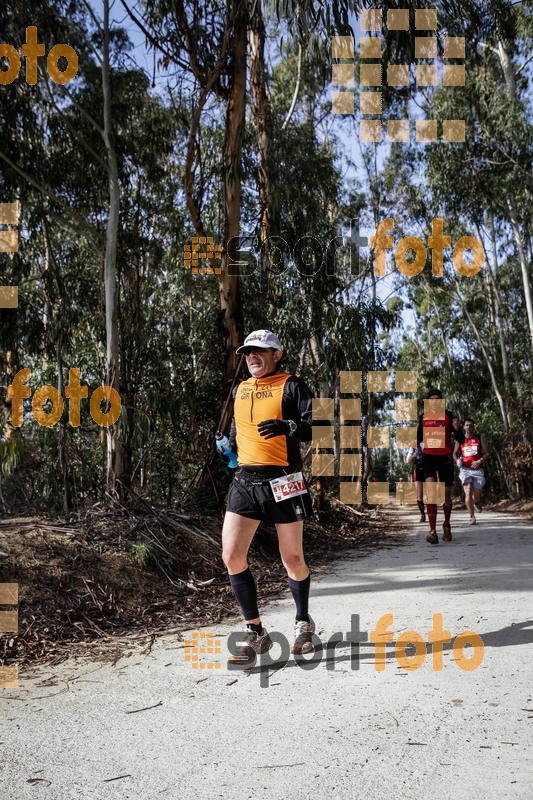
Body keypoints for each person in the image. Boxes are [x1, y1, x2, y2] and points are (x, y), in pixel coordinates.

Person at [220, 329, 315, 665]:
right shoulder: (241, 389)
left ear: (278, 354)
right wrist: (229, 448)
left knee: (292, 557)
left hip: (284, 480)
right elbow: (237, 430)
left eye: (260, 351)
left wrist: (287, 426)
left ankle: (303, 622)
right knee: (232, 555)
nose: (252, 357)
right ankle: (255, 632)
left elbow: (313, 425)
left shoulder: (293, 385)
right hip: (245, 479)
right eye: (248, 352)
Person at [417, 388, 464, 545]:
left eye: (438, 398)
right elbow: (418, 439)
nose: (435, 401)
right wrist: (422, 452)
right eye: (432, 399)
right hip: (429, 457)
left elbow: (461, 439)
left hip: (445, 457)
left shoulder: (449, 416)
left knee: (446, 496)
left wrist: (457, 429)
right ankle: (432, 531)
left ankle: (447, 525)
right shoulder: (423, 417)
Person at [454, 418, 489, 526]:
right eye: (467, 425)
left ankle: (476, 502)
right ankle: (472, 517)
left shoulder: (479, 438)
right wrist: (457, 460)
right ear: (464, 427)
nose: (469, 427)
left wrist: (479, 461)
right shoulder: (459, 439)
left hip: (478, 470)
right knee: (468, 490)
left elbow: (487, 453)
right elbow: (454, 453)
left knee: (476, 494)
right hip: (465, 469)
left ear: (473, 427)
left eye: (471, 425)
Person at [406, 445, 426, 522]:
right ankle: (422, 514)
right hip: (419, 469)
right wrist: (414, 455)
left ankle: (431, 513)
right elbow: (407, 460)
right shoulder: (413, 446)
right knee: (420, 494)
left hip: (429, 467)